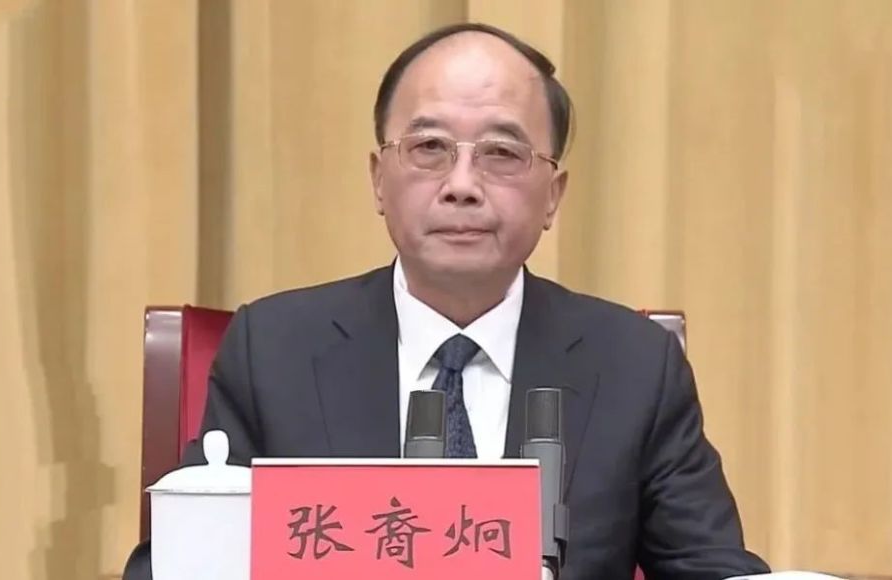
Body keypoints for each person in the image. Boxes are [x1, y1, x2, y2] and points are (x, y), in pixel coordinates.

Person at [124, 22, 770, 580]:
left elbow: (712, 569)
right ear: (379, 179)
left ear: (553, 195)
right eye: (429, 148)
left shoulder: (634, 365)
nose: (462, 185)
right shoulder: (274, 350)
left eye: (502, 153)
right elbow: (177, 563)